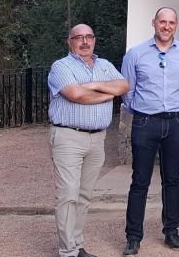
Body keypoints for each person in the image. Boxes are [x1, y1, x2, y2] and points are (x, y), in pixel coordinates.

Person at [48, 23, 129, 257]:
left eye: (89, 37)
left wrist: (92, 86)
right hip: (68, 137)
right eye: (79, 38)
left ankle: (77, 244)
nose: (85, 42)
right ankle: (67, 251)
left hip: (97, 139)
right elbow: (76, 95)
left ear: (94, 39)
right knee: (68, 194)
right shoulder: (60, 67)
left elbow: (123, 86)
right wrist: (107, 94)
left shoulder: (104, 65)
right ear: (69, 41)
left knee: (84, 195)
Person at [121, 7, 179, 255]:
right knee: (140, 180)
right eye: (162, 21)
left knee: (172, 180)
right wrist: (142, 111)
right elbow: (127, 89)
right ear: (153, 22)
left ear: (177, 25)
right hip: (145, 122)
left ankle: (171, 232)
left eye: (171, 22)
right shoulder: (135, 54)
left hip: (175, 122)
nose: (166, 26)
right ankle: (133, 237)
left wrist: (176, 110)